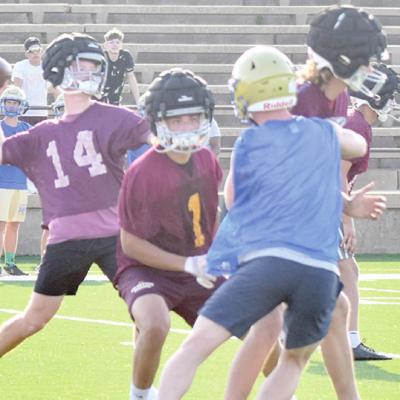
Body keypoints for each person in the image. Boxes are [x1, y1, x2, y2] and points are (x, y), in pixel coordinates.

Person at [157, 45, 386, 400]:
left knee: (196, 347)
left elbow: (233, 200)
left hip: (266, 264)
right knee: (292, 362)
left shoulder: (249, 141)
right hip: (318, 271)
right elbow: (356, 144)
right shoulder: (317, 132)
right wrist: (330, 146)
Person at [224, 5, 389, 400]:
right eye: (365, 57)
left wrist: (344, 205)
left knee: (335, 313)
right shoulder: (299, 99)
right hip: (264, 225)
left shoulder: (335, 96)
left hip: (288, 225)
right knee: (272, 332)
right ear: (343, 58)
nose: (371, 67)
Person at [0, 33, 150, 358]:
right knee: (34, 319)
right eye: (83, 66)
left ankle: (142, 391)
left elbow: (159, 141)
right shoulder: (42, 134)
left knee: (147, 313)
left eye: (95, 66)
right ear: (59, 71)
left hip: (116, 236)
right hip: (66, 239)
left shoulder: (116, 116)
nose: (92, 73)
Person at [114, 68, 224, 400]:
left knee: (262, 326)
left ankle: (282, 393)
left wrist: (216, 256)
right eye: (178, 120)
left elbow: (211, 212)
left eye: (194, 118)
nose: (187, 127)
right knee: (155, 324)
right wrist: (186, 264)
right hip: (146, 267)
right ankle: (141, 395)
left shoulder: (206, 159)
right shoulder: (142, 171)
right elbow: (130, 243)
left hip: (198, 263)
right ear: (159, 122)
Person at [339, 63, 399, 361]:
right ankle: (349, 342)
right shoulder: (357, 125)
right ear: (376, 97)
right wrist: (347, 218)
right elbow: (335, 174)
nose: (394, 101)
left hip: (321, 202)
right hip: (323, 203)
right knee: (347, 270)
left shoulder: (356, 122)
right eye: (390, 95)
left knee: (345, 270)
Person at [0, 86, 30, 276]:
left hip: (20, 183)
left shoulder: (26, 128)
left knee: (14, 224)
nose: (11, 106)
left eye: (15, 102)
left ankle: (10, 263)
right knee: (1, 223)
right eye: (9, 102)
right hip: (2, 183)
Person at [11, 37, 56, 125]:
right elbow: (17, 88)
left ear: (41, 51)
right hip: (24, 112)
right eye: (31, 51)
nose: (35, 53)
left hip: (42, 112)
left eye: (37, 50)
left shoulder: (48, 66)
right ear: (26, 54)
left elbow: (54, 88)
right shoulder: (20, 66)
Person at [101, 28, 140, 105]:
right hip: (98, 97)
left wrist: (138, 101)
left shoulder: (125, 56)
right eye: (111, 42)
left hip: (115, 98)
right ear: (105, 45)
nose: (115, 45)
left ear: (121, 44)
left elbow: (131, 78)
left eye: (117, 42)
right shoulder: (101, 56)